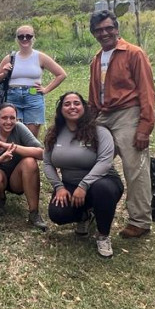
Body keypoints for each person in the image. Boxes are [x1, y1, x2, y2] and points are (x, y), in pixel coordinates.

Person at [88, 10, 155, 239]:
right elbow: (93, 95)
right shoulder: (97, 59)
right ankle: (89, 209)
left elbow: (147, 91)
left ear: (116, 28)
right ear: (94, 33)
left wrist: (145, 127)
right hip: (104, 114)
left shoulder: (134, 53)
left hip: (128, 113)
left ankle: (140, 220)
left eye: (108, 28)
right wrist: (88, 121)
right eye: (99, 30)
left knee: (134, 167)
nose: (104, 33)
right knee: (89, 158)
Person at [43, 92, 124, 258]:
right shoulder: (54, 133)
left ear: (84, 108)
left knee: (102, 190)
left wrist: (84, 185)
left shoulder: (100, 131)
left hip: (103, 181)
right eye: (67, 104)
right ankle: (85, 215)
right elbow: (47, 163)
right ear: (60, 109)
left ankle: (103, 235)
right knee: (57, 213)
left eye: (76, 103)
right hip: (70, 184)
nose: (72, 107)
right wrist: (59, 187)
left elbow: (105, 162)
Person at [0, 102, 47, 230]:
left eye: (12, 118)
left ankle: (34, 213)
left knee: (30, 162)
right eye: (4, 118)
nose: (8, 122)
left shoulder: (19, 128)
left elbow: (41, 153)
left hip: (18, 178)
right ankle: (0, 197)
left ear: (17, 118)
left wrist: (9, 147)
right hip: (0, 175)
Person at [0, 24, 67, 137]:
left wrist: (46, 90)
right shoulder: (10, 58)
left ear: (33, 38)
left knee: (31, 136)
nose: (25, 39)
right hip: (13, 95)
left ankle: (30, 154)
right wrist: (4, 73)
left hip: (33, 95)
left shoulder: (40, 57)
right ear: (17, 39)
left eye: (28, 36)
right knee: (14, 133)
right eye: (21, 36)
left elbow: (61, 74)